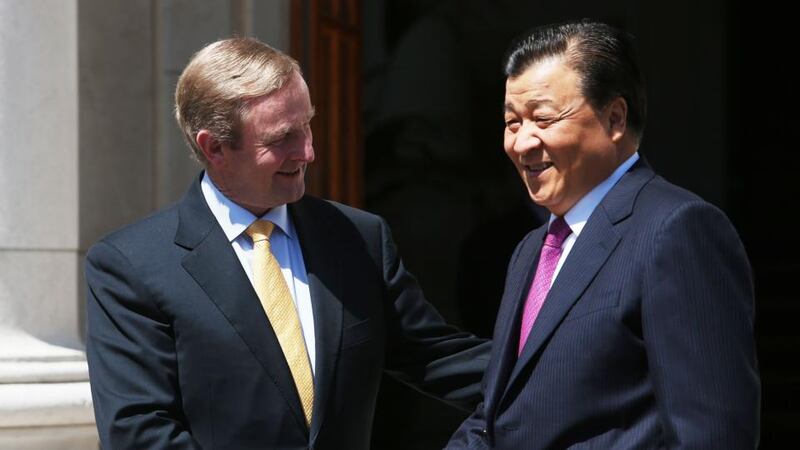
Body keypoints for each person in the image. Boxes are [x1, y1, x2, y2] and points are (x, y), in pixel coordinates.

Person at [85, 37, 489, 450]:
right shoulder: (131, 266)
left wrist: (551, 368)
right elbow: (139, 432)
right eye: (282, 139)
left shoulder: (358, 238)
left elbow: (438, 359)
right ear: (215, 147)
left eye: (308, 125)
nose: (308, 151)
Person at [447, 20, 759, 449]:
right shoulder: (531, 250)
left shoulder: (676, 231)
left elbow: (711, 434)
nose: (522, 143)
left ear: (614, 117)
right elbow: (497, 418)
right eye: (512, 123)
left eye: (542, 118)